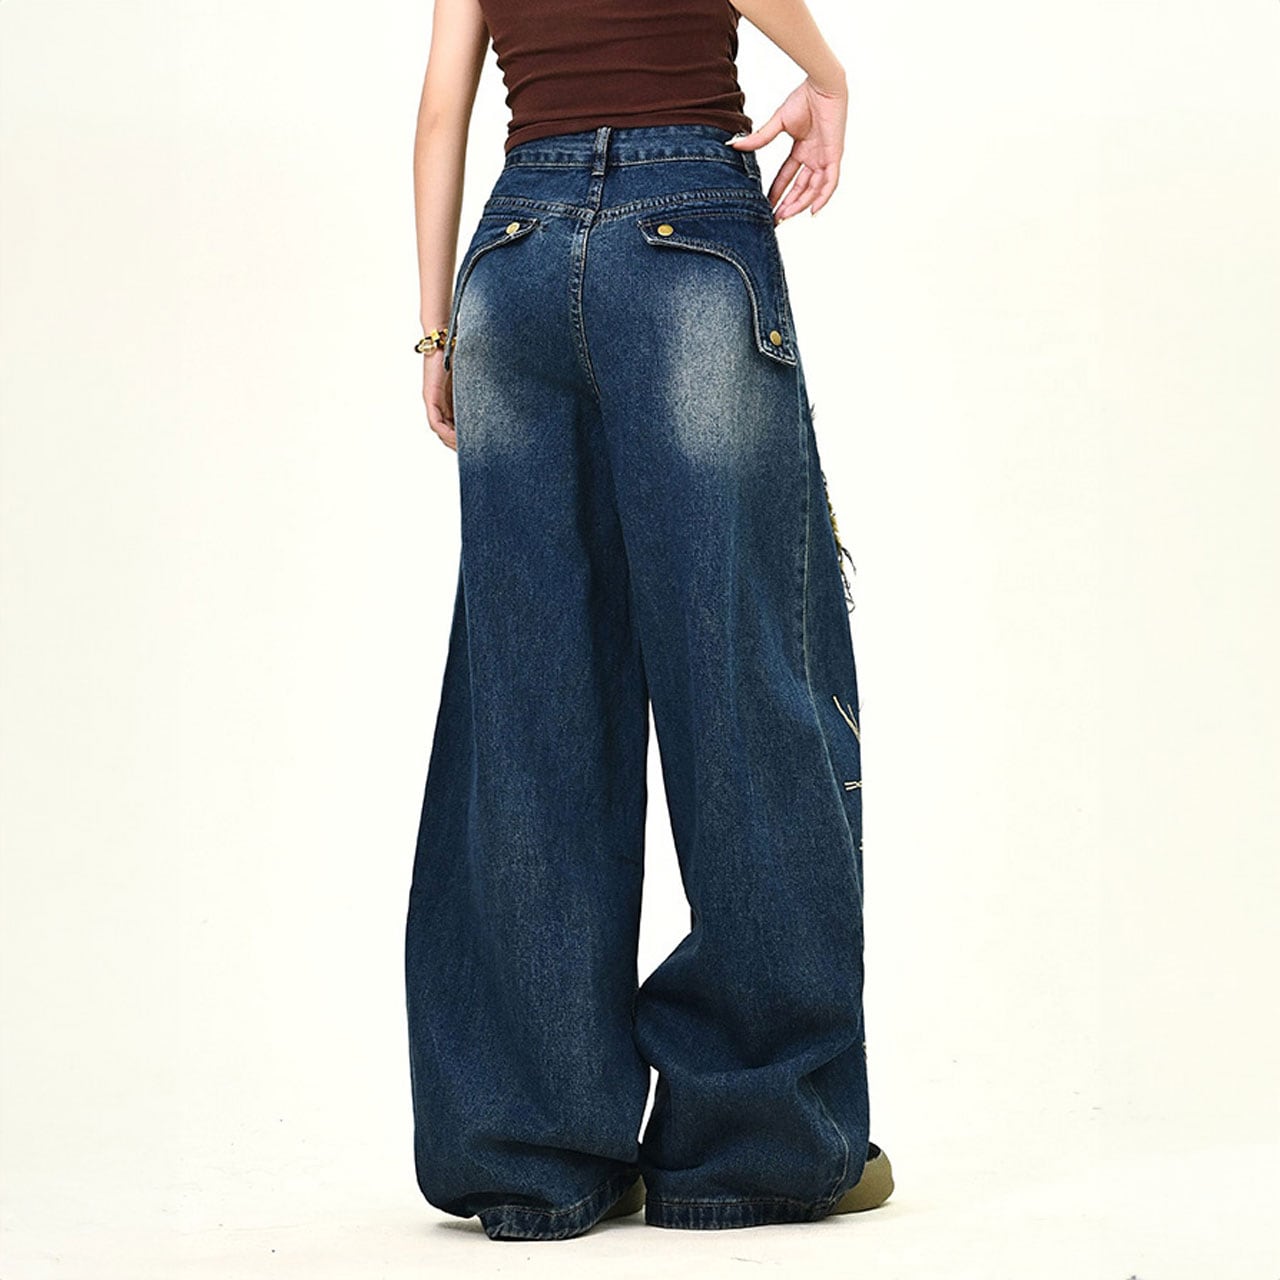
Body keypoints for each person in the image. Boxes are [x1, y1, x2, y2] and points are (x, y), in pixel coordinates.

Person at [403, 0, 894, 1241]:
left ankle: (528, 1146)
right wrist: (825, 73)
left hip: (510, 250)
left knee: (530, 705)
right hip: (684, 236)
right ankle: (757, 1138)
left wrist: (435, 329)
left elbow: (442, 109)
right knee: (741, 680)